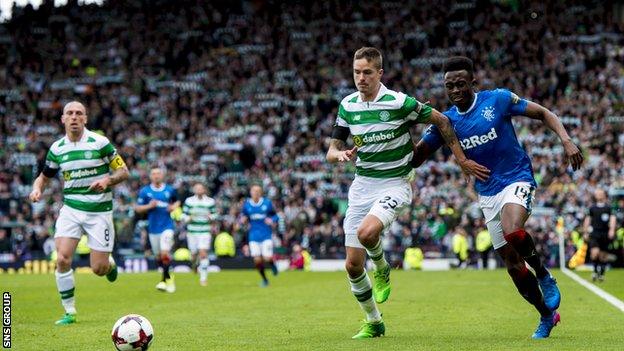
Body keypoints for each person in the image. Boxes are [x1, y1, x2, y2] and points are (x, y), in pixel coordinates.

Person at [412, 56, 584, 338]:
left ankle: (543, 273)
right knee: (514, 268)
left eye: (460, 84)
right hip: (487, 194)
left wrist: (565, 140)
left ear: (473, 83)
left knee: (513, 230)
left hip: (517, 178)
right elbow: (416, 159)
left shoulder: (498, 100)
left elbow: (544, 113)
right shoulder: (446, 122)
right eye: (449, 86)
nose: (455, 90)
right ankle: (546, 315)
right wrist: (408, 126)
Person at [326, 47, 489, 339]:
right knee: (352, 265)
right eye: (356, 72)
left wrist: (462, 159)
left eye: (366, 72)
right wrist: (338, 155)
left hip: (394, 183)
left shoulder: (399, 102)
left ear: (379, 74)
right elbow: (332, 148)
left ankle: (382, 266)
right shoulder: (347, 106)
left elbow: (442, 120)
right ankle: (374, 321)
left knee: (367, 233)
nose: (360, 78)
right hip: (361, 186)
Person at [29, 101, 129, 325]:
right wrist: (37, 189)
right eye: (70, 113)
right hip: (71, 209)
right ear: (63, 119)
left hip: (99, 211)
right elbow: (44, 177)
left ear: (85, 119)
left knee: (98, 269)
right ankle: (70, 312)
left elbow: (123, 171)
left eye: (79, 113)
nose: (74, 117)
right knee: (62, 258)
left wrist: (107, 179)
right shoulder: (57, 149)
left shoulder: (100, 143)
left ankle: (109, 264)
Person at [135, 167, 180, 293]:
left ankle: (164, 281)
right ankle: (169, 276)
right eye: (154, 174)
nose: (156, 176)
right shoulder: (145, 191)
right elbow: (138, 208)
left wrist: (173, 207)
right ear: (150, 176)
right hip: (153, 229)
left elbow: (177, 201)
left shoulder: (169, 189)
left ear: (162, 175)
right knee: (159, 257)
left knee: (165, 253)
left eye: (158, 173)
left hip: (167, 226)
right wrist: (149, 206)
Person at [240, 185, 279, 286]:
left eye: (258, 191)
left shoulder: (267, 203)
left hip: (266, 235)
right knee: (257, 260)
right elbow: (243, 215)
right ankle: (265, 279)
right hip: (253, 235)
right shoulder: (247, 204)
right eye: (254, 191)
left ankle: (272, 265)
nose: (256, 193)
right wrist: (243, 220)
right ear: (250, 192)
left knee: (267, 257)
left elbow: (276, 216)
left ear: (261, 193)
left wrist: (272, 220)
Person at [182, 183, 217, 286]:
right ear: (194, 190)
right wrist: (188, 218)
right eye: (197, 188)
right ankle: (194, 265)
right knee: (193, 255)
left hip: (205, 231)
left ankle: (203, 279)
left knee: (203, 253)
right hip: (192, 231)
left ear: (204, 190)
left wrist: (211, 217)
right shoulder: (189, 201)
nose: (199, 190)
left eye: (200, 188)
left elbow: (215, 214)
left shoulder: (210, 201)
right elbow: (183, 214)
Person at [583, 188, 616, 282]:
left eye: (600, 193)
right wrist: (585, 232)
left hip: (604, 233)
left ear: (604, 195)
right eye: (597, 193)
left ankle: (601, 274)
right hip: (594, 233)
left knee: (603, 255)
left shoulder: (609, 207)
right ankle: (594, 271)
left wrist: (612, 230)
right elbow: (587, 220)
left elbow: (613, 218)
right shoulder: (592, 208)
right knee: (594, 253)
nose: (599, 195)